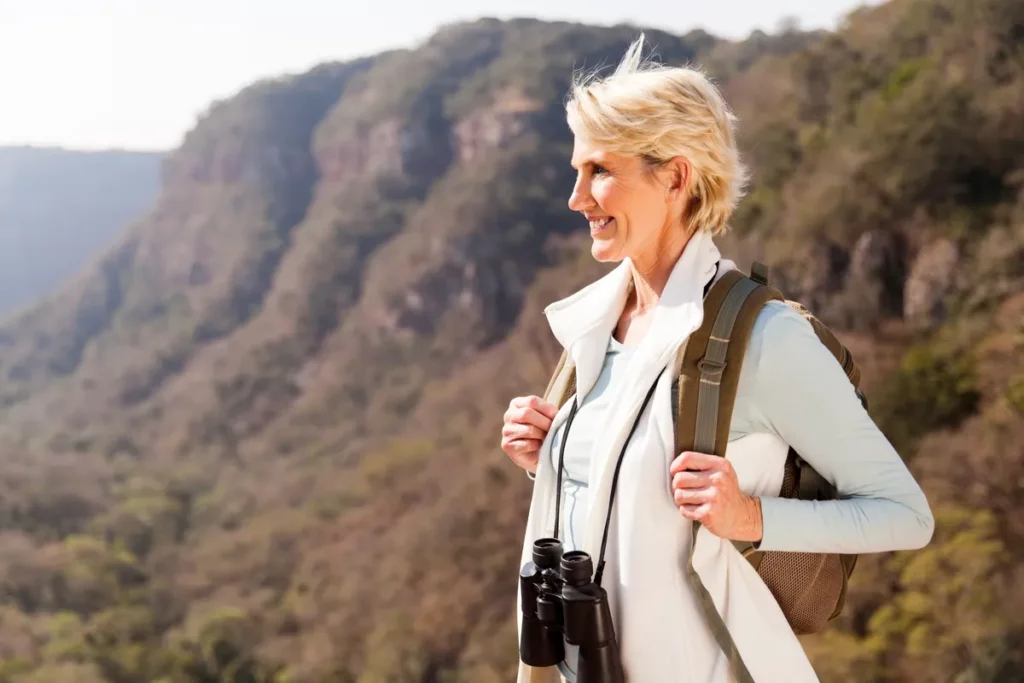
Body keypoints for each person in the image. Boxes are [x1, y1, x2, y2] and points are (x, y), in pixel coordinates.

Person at [500, 35, 934, 683]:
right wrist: (555, 460)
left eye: (599, 171)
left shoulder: (767, 339)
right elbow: (627, 505)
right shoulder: (591, 330)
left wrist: (750, 517)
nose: (577, 197)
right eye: (576, 172)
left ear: (674, 176)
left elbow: (907, 515)